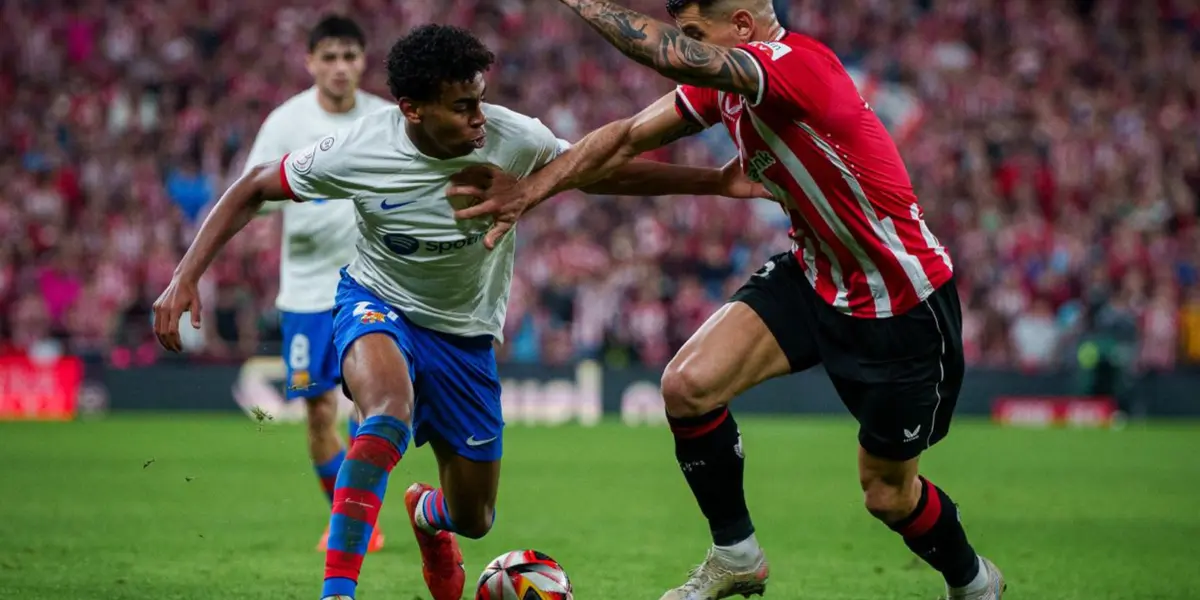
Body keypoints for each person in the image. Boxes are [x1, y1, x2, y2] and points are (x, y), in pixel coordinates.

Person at [151, 24, 768, 600]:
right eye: (462, 106)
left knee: (474, 518)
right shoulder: (360, 148)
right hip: (376, 301)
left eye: (480, 99)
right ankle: (338, 591)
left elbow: (595, 172)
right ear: (412, 109)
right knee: (385, 414)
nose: (479, 117)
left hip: (465, 334)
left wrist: (714, 182)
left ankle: (427, 514)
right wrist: (185, 275)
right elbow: (255, 184)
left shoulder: (515, 137)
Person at [451, 1, 1006, 599]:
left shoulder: (794, 66)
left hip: (898, 301)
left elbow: (662, 52)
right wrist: (528, 192)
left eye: (696, 34)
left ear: (742, 27)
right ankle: (737, 556)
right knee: (687, 385)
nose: (689, 47)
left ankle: (975, 584)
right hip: (813, 273)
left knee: (888, 494)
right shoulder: (728, 89)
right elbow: (627, 137)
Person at [241, 13, 393, 554]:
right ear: (310, 62)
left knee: (371, 406)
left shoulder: (383, 119)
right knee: (318, 411)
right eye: (329, 57)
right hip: (306, 293)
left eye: (349, 56)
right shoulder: (286, 123)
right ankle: (346, 512)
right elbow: (252, 197)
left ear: (363, 61)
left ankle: (357, 518)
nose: (340, 67)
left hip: (372, 285)